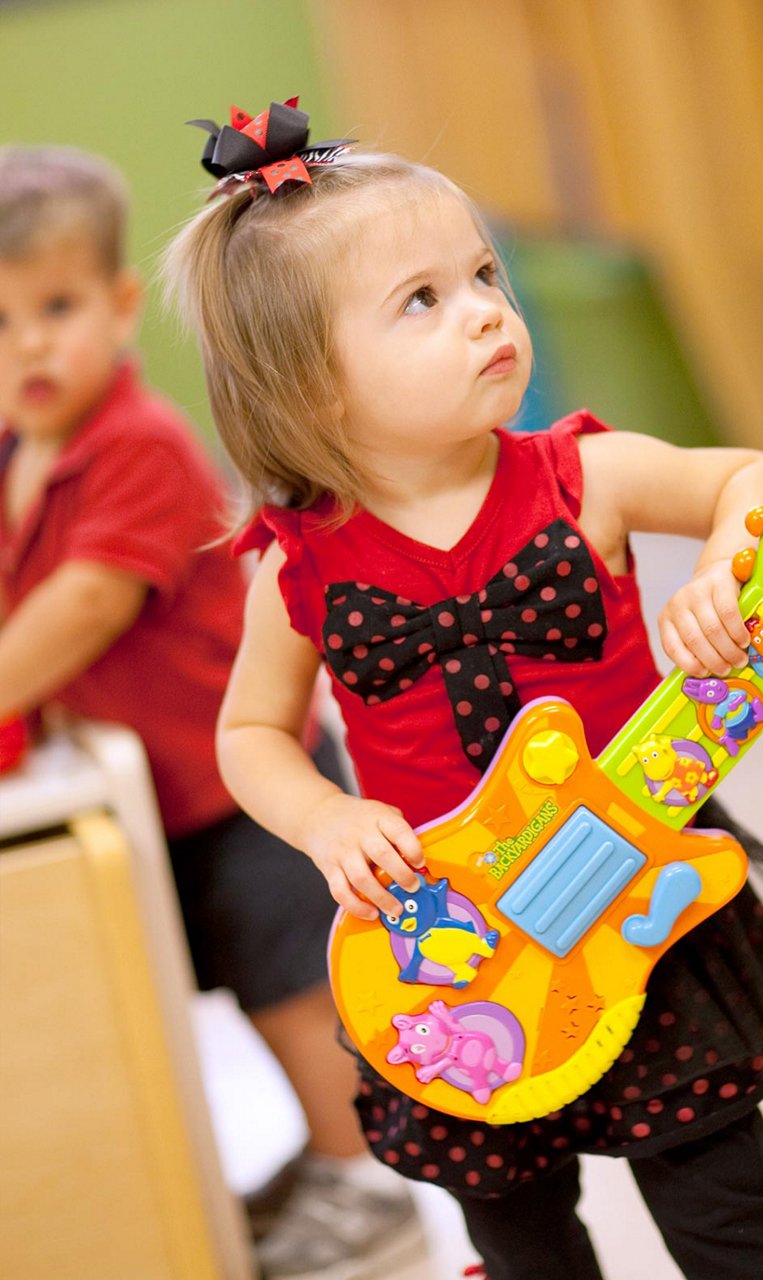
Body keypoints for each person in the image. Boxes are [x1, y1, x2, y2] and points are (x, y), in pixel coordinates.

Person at [162, 99, 763, 1280]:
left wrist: (734, 558)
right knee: (518, 1225)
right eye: (421, 300)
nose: (484, 308)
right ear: (309, 387)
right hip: (457, 940)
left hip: (634, 888)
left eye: (482, 273)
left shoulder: (588, 478)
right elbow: (251, 731)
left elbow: (760, 472)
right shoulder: (299, 566)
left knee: (721, 1196)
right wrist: (322, 815)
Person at [0, 145, 422, 1280]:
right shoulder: (15, 455)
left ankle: (368, 1178)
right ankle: (322, 1158)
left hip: (245, 782)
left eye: (55, 306)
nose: (28, 344)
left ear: (121, 305)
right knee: (215, 989)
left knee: (294, 990)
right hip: (155, 798)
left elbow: (82, 606)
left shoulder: (136, 446)